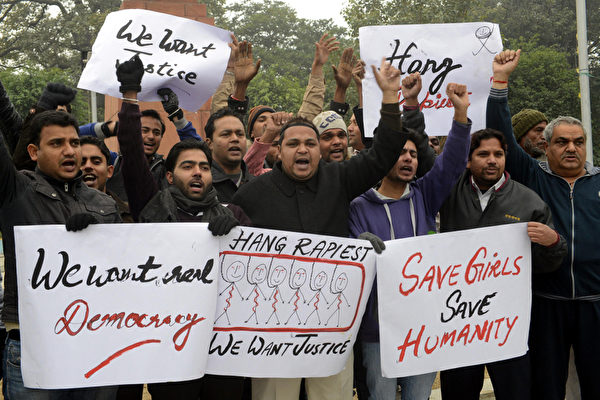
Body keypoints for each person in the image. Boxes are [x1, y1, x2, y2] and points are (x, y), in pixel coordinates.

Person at [232, 58, 408, 400]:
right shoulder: (253, 193)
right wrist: (222, 219)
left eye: (310, 144)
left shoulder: (339, 178)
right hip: (272, 328)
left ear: (318, 151)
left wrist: (389, 98)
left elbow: (384, 152)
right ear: (278, 151)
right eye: (293, 144)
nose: (302, 149)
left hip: (331, 323)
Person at [114, 54, 249, 400]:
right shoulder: (152, 207)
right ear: (171, 177)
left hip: (222, 353)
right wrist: (130, 94)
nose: (198, 172)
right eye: (188, 166)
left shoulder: (234, 213)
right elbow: (131, 153)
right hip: (169, 348)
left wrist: (236, 231)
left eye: (203, 167)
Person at [486, 48, 600, 400]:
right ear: (546, 146)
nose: (571, 148)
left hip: (596, 302)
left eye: (578, 142)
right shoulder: (534, 177)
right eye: (562, 142)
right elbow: (501, 134)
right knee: (547, 387)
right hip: (547, 302)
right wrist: (500, 82)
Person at [349, 77, 472, 400]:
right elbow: (348, 260)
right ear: (382, 156)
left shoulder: (424, 195)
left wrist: (460, 115)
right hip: (377, 330)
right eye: (400, 153)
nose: (408, 159)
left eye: (414, 155)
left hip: (424, 325)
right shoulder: (358, 206)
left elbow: (451, 164)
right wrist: (359, 245)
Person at [438, 126, 567, 400]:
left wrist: (553, 243)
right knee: (458, 391)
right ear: (468, 160)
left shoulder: (529, 201)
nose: (492, 160)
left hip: (507, 324)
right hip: (459, 321)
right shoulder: (448, 192)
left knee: (515, 391)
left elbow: (544, 265)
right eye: (483, 154)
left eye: (498, 154)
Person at [0, 110, 120, 399]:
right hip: (34, 345)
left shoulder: (104, 204)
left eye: (74, 143)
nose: (69, 151)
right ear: (34, 152)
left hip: (96, 344)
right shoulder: (16, 191)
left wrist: (94, 240)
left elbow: (124, 273)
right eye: (56, 144)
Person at [79, 87, 201, 201]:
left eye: (156, 133)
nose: (151, 137)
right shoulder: (114, 162)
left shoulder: (166, 170)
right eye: (144, 130)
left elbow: (198, 151)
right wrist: (113, 128)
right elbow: (75, 135)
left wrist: (177, 116)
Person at [79, 136, 132, 222]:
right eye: (82, 162)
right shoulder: (61, 209)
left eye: (96, 162)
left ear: (109, 171)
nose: (88, 166)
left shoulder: (129, 214)